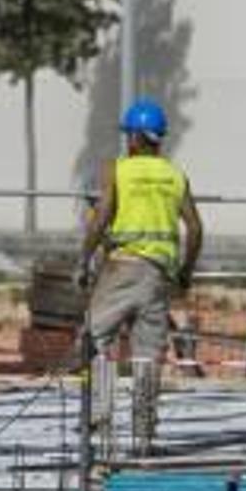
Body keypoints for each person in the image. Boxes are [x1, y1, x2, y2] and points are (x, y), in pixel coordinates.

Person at [75, 97, 203, 456]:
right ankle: (144, 435)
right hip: (160, 276)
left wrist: (84, 259)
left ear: (133, 137)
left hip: (123, 268)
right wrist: (185, 273)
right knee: (148, 356)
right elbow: (195, 228)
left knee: (93, 337)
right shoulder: (175, 176)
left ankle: (98, 418)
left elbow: (100, 219)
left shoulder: (120, 170)